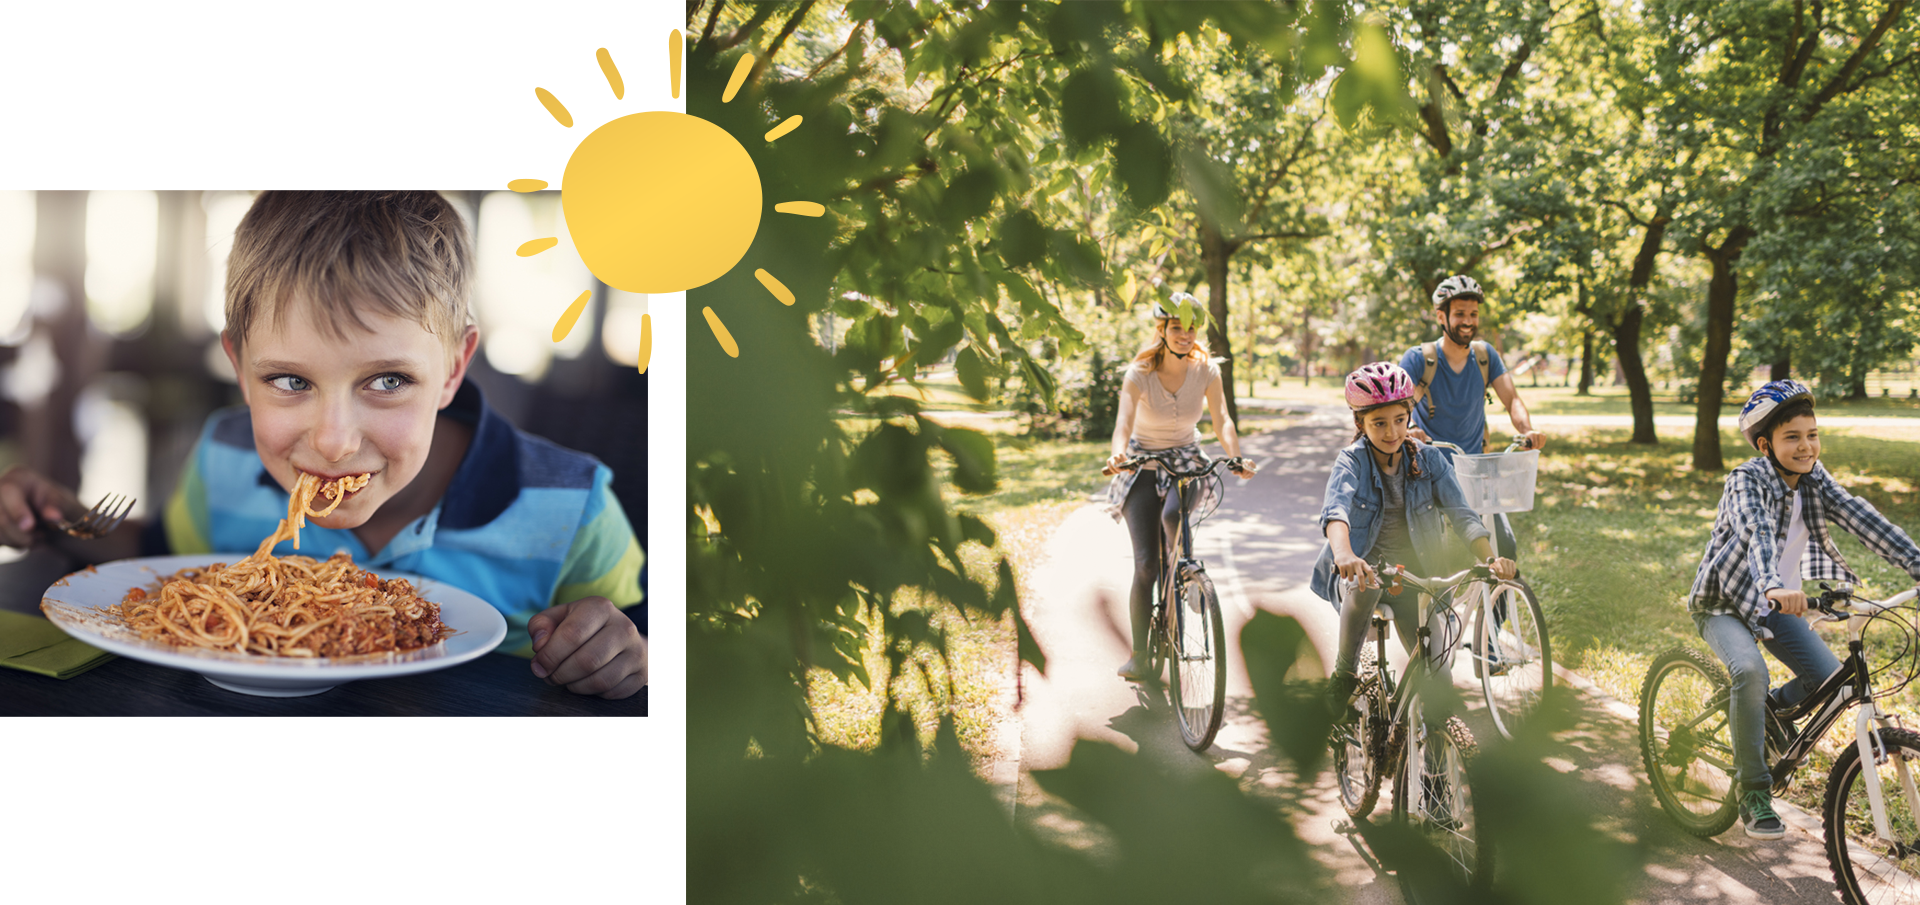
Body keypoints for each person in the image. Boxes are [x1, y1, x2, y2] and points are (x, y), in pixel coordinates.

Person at [0, 191, 647, 699]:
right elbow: (159, 563)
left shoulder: (572, 507)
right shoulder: (225, 458)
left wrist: (627, 651)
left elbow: (649, 652)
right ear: (239, 365)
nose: (334, 442)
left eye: (388, 381)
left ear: (453, 368)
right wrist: (60, 518)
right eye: (290, 381)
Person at [1689, 379, 1920, 838]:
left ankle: (1761, 714)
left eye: (1812, 435)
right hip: (1724, 603)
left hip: (1775, 604)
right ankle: (1753, 790)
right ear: (1765, 445)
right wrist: (1774, 585)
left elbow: (1862, 517)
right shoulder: (1746, 480)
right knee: (1750, 672)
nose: (1806, 446)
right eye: (1792, 437)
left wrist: (1916, 562)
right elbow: (1756, 531)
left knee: (1830, 680)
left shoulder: (1815, 478)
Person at [1311, 362, 1516, 708]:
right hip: (1364, 573)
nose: (1392, 431)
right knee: (1365, 583)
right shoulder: (1352, 461)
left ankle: (1429, 737)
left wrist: (1491, 559)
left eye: (1399, 420)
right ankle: (1344, 673)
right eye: (1379, 423)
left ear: (1409, 416)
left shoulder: (1430, 460)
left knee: (1440, 683)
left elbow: (1462, 514)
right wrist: (1344, 555)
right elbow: (1336, 512)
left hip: (1414, 580)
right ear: (1360, 423)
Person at [1103, 291, 1255, 682]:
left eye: (1191, 328)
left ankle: (1187, 574)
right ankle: (1139, 655)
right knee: (1146, 566)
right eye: (1176, 328)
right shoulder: (1139, 373)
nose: (1185, 335)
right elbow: (1123, 422)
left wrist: (1235, 456)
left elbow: (1222, 419)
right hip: (1141, 464)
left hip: (1187, 460)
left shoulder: (1207, 371)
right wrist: (1118, 453)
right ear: (1162, 330)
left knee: (1174, 514)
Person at [1400, 274, 1544, 561]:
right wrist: (1412, 427)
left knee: (1504, 547)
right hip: (1430, 471)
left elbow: (1512, 399)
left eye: (1473, 314)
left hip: (1475, 470)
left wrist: (1528, 430)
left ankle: (1496, 593)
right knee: (1431, 554)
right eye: (1459, 314)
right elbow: (1400, 407)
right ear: (1441, 316)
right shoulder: (1420, 359)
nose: (1468, 321)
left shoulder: (1485, 356)